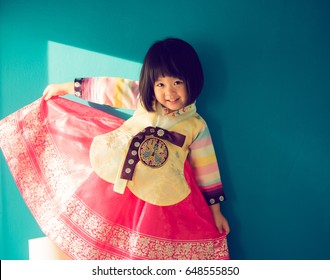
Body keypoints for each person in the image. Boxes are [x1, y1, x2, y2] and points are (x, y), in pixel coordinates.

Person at [0, 38, 229, 259]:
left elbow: (207, 170)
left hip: (157, 197)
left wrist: (215, 211)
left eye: (177, 82)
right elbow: (109, 88)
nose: (169, 92)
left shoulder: (196, 125)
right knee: (100, 232)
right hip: (113, 181)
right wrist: (66, 87)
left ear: (192, 80)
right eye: (161, 84)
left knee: (139, 243)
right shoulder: (144, 99)